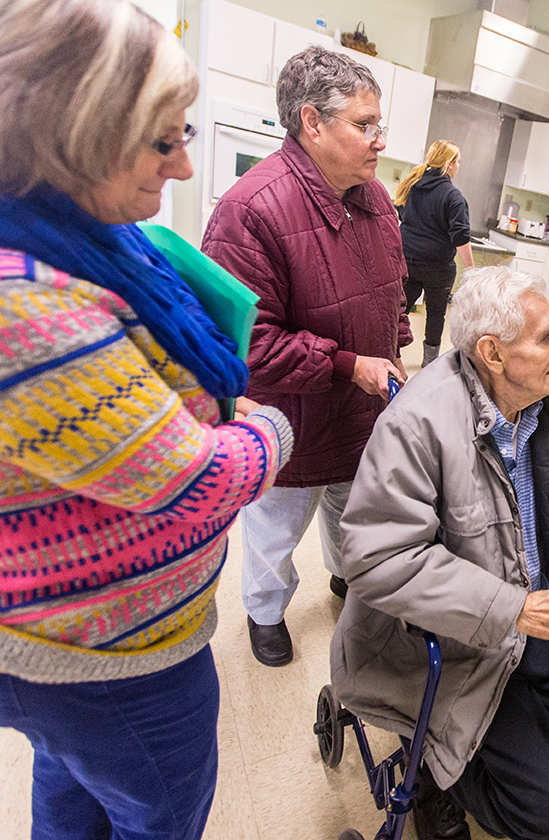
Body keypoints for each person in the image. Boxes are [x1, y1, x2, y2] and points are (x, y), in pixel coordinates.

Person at [0, 1, 294, 837]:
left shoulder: (41, 217)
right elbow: (192, 479)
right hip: (96, 653)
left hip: (61, 632)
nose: (180, 167)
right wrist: (272, 429)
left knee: (72, 778)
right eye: (161, 141)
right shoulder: (3, 306)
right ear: (65, 134)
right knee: (156, 812)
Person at [332, 266, 549, 840]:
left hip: (544, 627)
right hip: (459, 640)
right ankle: (431, 778)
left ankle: (521, 743)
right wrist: (510, 610)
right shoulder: (418, 422)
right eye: (545, 338)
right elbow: (377, 560)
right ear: (492, 353)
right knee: (548, 811)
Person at [202, 46, 412, 667]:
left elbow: (393, 293)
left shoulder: (375, 200)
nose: (379, 142)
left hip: (363, 412)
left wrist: (395, 345)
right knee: (274, 530)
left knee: (353, 513)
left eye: (380, 125)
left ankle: (347, 580)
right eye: (364, 125)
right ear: (311, 123)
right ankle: (266, 611)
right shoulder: (250, 210)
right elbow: (251, 345)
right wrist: (351, 364)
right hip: (290, 420)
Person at [394, 139, 475, 366]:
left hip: (407, 259)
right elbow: (460, 237)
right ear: (449, 164)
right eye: (458, 162)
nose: (459, 166)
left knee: (399, 310)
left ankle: (388, 351)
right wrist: (472, 270)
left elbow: (401, 212)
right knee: (436, 314)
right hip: (437, 266)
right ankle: (428, 363)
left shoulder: (413, 184)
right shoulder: (453, 196)